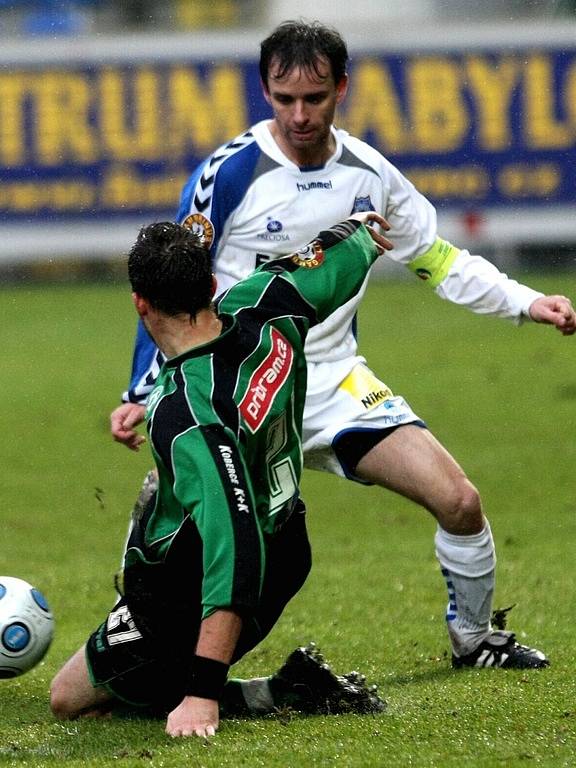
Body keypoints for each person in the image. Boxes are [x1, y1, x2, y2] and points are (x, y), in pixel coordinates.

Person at [111, 20, 576, 671]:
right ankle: (146, 652)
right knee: (192, 544)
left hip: (333, 383)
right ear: (266, 91)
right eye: (285, 99)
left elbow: (438, 261)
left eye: (316, 98)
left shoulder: (369, 174)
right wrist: (141, 391)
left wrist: (527, 302)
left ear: (341, 89)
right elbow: (170, 285)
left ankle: (475, 639)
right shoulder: (229, 174)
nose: (300, 115)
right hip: (237, 392)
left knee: (460, 501)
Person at [51, 213, 390, 738]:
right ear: (212, 286)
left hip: (195, 585)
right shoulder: (267, 301)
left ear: (139, 301)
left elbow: (232, 541)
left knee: (70, 699)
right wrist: (362, 234)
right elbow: (324, 261)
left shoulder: (185, 414)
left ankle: (273, 690)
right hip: (288, 543)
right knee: (169, 505)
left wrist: (203, 694)